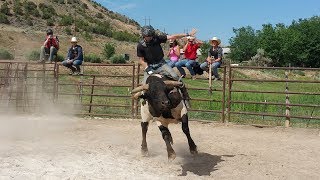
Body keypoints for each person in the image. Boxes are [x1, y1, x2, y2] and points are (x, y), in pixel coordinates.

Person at [136, 25, 197, 108]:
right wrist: (147, 68)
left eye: (150, 36)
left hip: (161, 64)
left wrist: (187, 34)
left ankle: (185, 96)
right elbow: (141, 60)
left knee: (175, 76)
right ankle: (143, 105)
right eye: (147, 36)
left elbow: (173, 36)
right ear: (143, 36)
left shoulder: (157, 38)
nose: (149, 38)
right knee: (144, 85)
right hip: (150, 66)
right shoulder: (140, 46)